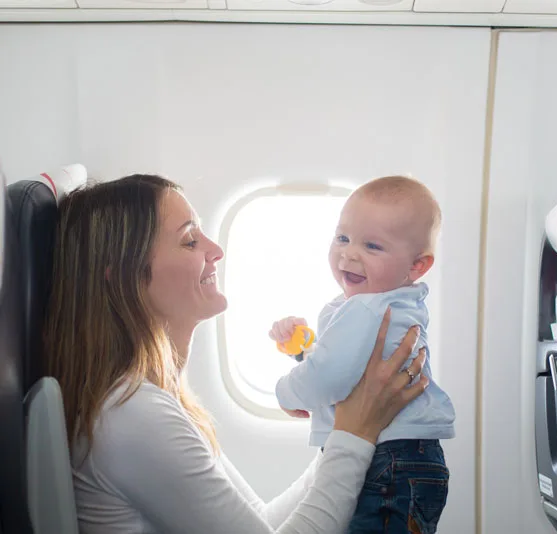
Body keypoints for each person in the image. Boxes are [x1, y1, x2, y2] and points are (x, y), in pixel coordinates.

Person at [43, 173, 429, 534]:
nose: (215, 249)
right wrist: (354, 431)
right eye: (190, 240)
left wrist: (351, 424)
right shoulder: (131, 414)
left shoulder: (156, 399)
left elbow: (261, 521)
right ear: (124, 274)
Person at [270, 175, 455, 533]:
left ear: (417, 265)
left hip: (386, 461)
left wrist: (286, 392)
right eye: (342, 237)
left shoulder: (366, 310)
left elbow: (330, 377)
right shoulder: (395, 303)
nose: (349, 253)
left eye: (372, 246)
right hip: (410, 461)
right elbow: (349, 367)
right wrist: (303, 349)